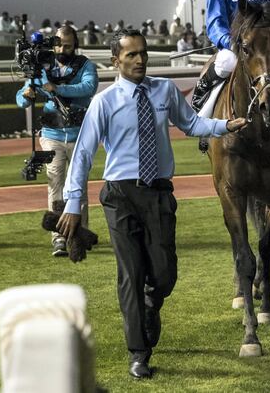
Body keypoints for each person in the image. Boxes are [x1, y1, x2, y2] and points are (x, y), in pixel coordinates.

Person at [57, 29, 247, 379]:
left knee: (163, 274)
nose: (140, 59)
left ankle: (151, 302)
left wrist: (224, 125)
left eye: (142, 53)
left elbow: (191, 124)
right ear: (116, 61)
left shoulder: (164, 91)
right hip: (120, 195)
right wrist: (72, 203)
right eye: (131, 55)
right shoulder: (105, 101)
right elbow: (83, 154)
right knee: (130, 273)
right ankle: (138, 352)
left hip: (159, 194)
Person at [16, 25, 98, 256]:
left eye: (68, 45)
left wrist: (57, 88)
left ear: (76, 45)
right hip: (52, 135)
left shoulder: (85, 65)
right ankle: (59, 237)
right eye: (60, 44)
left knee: (78, 187)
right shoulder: (43, 65)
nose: (63, 48)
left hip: (79, 134)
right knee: (56, 184)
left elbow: (89, 87)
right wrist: (26, 95)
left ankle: (80, 234)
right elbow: (23, 96)